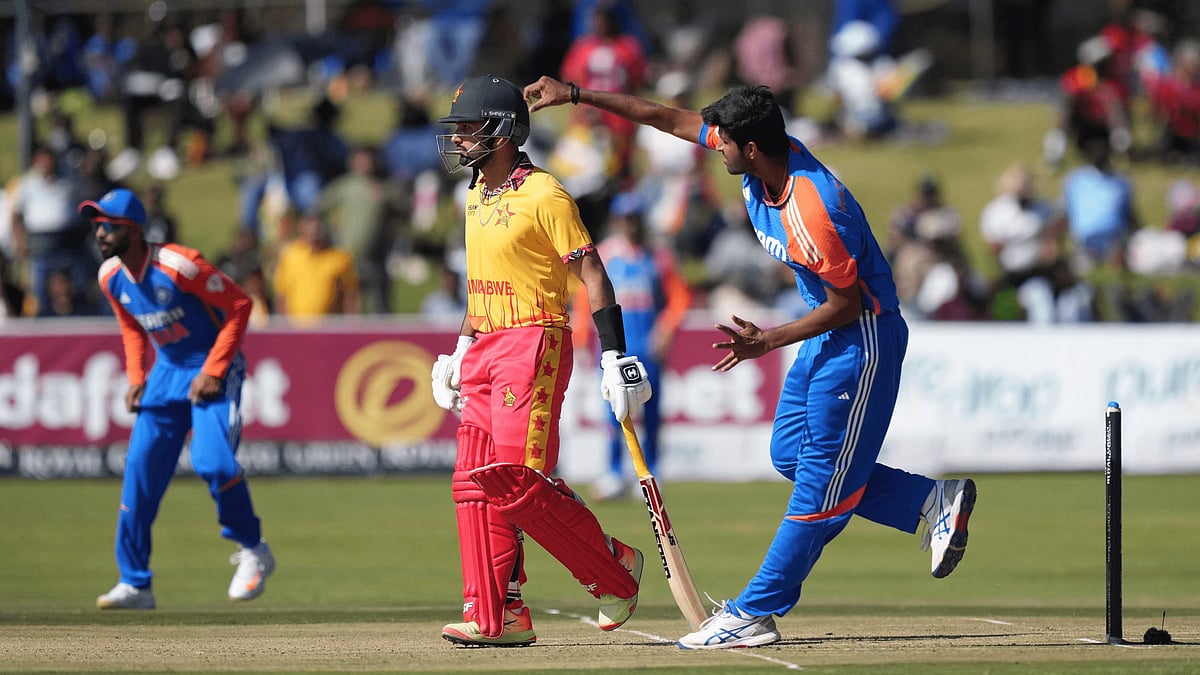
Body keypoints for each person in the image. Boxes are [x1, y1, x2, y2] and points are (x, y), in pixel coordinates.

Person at [524, 75, 978, 649]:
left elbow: (849, 305)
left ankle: (753, 612)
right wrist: (576, 95)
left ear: (753, 148)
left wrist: (769, 340)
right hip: (825, 334)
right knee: (790, 452)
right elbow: (666, 118)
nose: (716, 148)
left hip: (862, 338)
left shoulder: (814, 209)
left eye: (726, 143)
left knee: (820, 486)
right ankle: (928, 501)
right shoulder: (756, 153)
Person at [430, 74, 650, 647]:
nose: (459, 140)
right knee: (472, 483)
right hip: (484, 346)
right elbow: (481, 286)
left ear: (503, 132)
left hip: (534, 342)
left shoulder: (545, 195)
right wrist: (458, 350)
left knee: (518, 484)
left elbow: (593, 274)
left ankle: (613, 570)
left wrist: (615, 357)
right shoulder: (477, 193)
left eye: (469, 128)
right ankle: (498, 612)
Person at [80, 188, 274, 610]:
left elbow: (240, 305)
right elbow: (132, 327)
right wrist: (135, 376)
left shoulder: (179, 264)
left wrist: (214, 370)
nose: (100, 234)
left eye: (108, 226)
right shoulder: (110, 276)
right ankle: (135, 583)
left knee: (212, 462)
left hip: (212, 366)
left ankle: (253, 548)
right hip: (166, 373)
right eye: (96, 226)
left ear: (132, 230)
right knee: (139, 475)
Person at [574, 191, 691, 501]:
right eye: (625, 219)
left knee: (651, 412)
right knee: (613, 411)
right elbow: (586, 298)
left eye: (634, 218)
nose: (630, 225)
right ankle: (613, 473)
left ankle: (651, 473)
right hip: (614, 349)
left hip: (646, 345)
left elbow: (679, 298)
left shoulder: (658, 257)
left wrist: (666, 330)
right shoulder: (606, 255)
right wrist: (583, 336)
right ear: (616, 221)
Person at [272, 212, 360, 319]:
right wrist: (283, 327)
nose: (314, 235)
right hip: (296, 330)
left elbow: (350, 294)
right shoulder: (290, 256)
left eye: (318, 231)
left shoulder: (340, 258)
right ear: (302, 231)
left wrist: (349, 325)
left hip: (329, 328)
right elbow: (281, 295)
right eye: (310, 232)